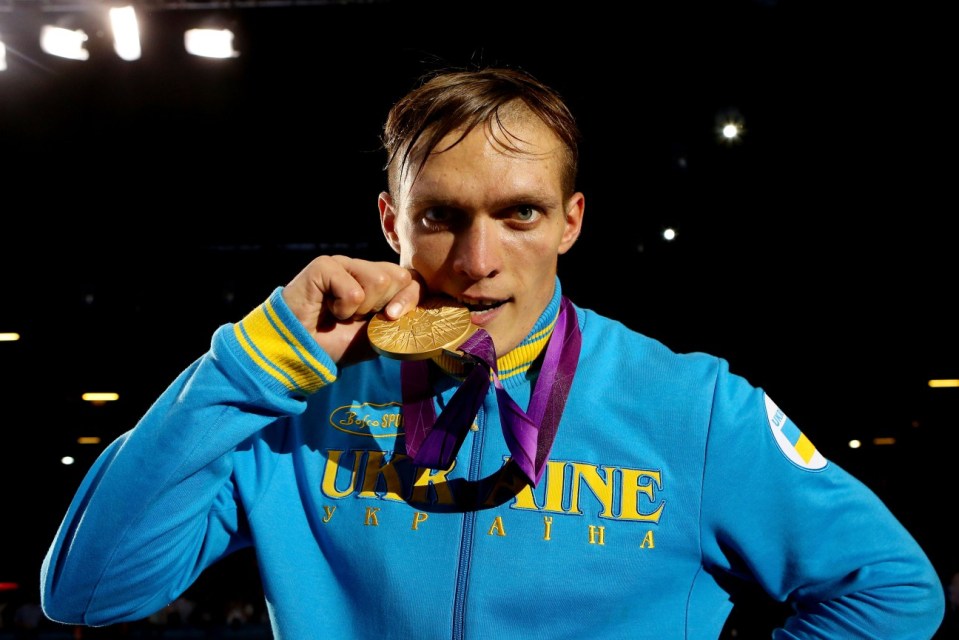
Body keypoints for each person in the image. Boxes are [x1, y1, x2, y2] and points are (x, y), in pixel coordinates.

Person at [40, 65, 944, 639]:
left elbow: (892, 592)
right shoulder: (292, 403)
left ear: (569, 223)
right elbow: (87, 593)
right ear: (391, 223)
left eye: (519, 213)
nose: (475, 264)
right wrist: (247, 366)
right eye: (439, 217)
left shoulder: (691, 406)